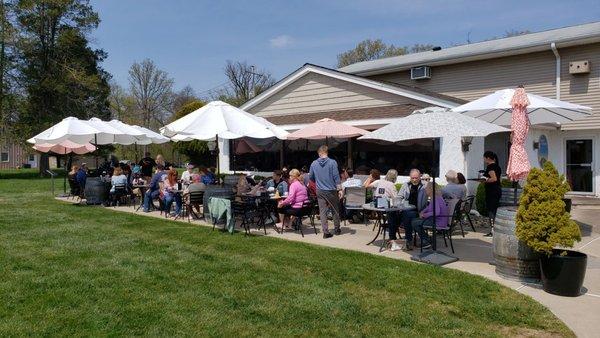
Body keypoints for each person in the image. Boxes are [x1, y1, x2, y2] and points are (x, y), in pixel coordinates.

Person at [403, 182, 450, 251]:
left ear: (431, 189)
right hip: (438, 221)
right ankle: (426, 239)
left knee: (414, 222)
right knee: (415, 221)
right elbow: (429, 207)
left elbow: (436, 212)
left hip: (438, 222)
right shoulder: (436, 197)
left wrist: (424, 215)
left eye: (427, 188)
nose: (425, 189)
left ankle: (426, 241)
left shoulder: (435, 198)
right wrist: (423, 212)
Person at [309, 145, 341, 238]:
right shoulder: (332, 162)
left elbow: (311, 177)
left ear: (319, 153)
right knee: (335, 209)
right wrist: (340, 189)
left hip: (320, 190)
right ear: (326, 152)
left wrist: (318, 180)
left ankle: (326, 232)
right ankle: (337, 229)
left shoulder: (314, 163)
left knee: (322, 211)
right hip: (331, 190)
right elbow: (336, 176)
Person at [397, 169, 428, 243]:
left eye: (416, 178)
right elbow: (399, 196)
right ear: (410, 177)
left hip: (419, 210)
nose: (414, 180)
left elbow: (432, 196)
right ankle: (395, 237)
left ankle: (408, 238)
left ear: (420, 177)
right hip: (407, 208)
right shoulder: (406, 185)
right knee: (395, 214)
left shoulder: (425, 185)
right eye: (412, 178)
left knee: (407, 215)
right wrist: (398, 204)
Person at [483, 150, 502, 237]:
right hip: (497, 190)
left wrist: (485, 180)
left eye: (484, 158)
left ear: (488, 158)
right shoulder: (498, 166)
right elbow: (499, 179)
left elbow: (494, 179)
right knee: (494, 210)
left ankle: (492, 230)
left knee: (491, 211)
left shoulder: (490, 167)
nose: (484, 160)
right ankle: (495, 229)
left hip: (492, 192)